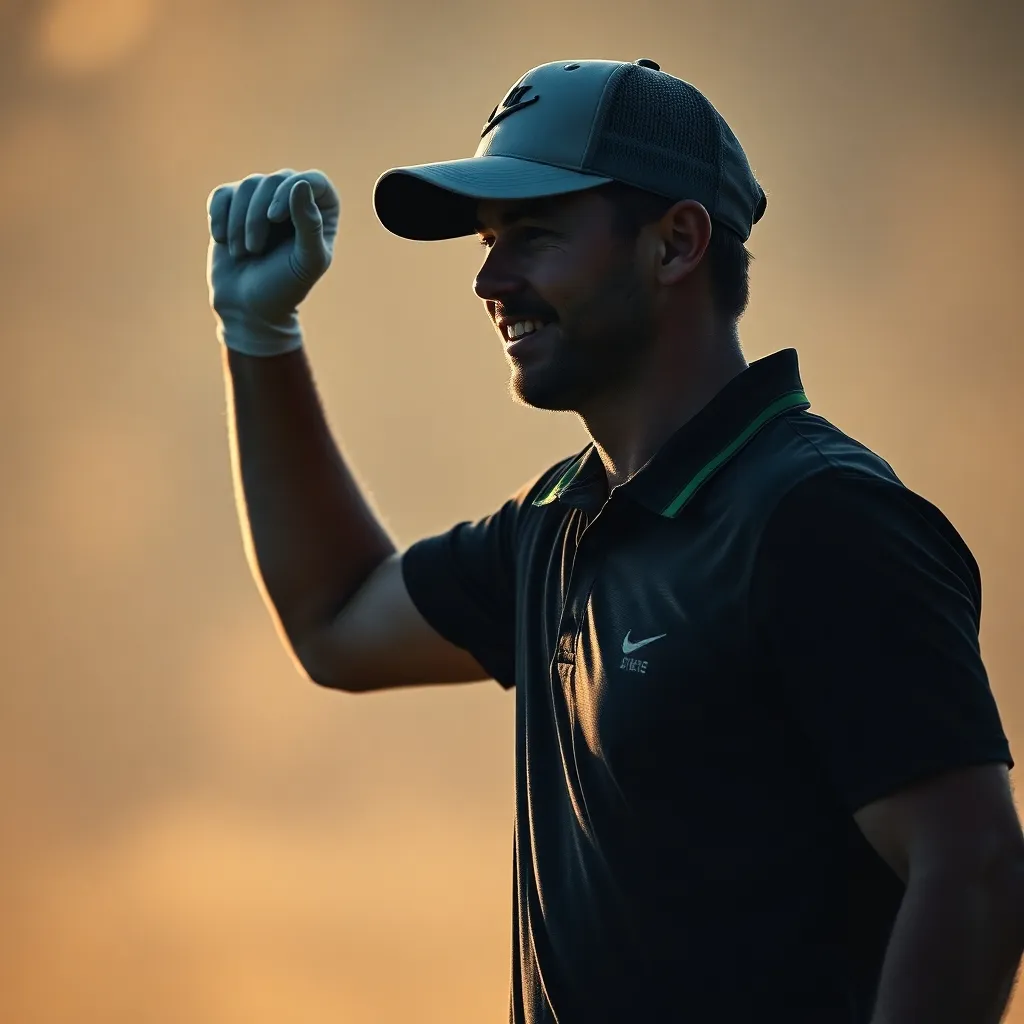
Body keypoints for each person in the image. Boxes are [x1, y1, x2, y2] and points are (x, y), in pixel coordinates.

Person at [206, 58, 1024, 1024]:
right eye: (486, 240)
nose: (488, 279)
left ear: (675, 244)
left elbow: (972, 868)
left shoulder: (817, 515)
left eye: (535, 235)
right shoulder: (554, 524)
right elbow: (335, 622)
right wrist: (261, 334)